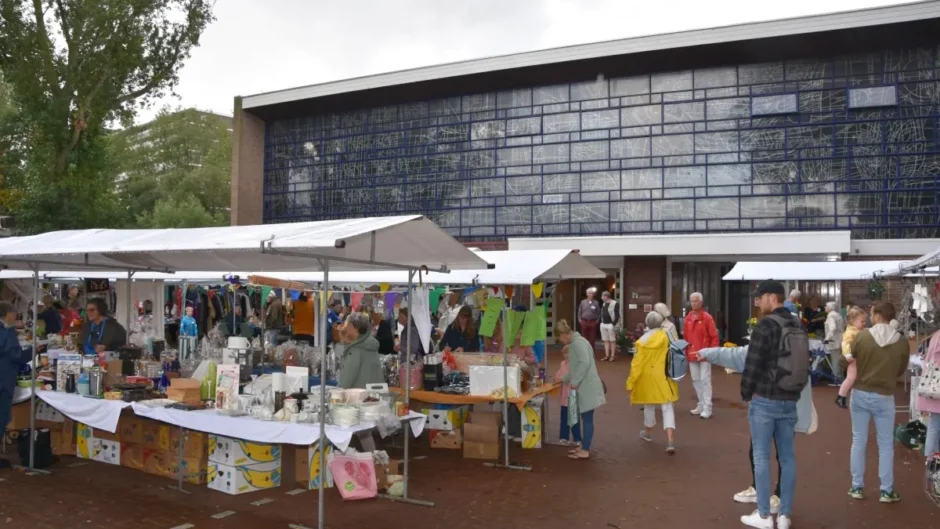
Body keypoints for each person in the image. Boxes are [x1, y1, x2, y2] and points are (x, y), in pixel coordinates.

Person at [698, 341, 818, 519]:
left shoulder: (769, 339)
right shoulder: (797, 346)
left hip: (767, 404)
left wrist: (707, 353)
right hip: (788, 405)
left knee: (762, 454)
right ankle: (780, 507)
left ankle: (767, 509)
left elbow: (739, 356)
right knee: (781, 456)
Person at [740, 280, 802, 529]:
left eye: (760, 298)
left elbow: (753, 363)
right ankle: (785, 514)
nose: (758, 302)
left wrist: (746, 393)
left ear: (770, 298)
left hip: (765, 398)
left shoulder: (765, 325)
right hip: (790, 399)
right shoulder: (797, 323)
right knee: (787, 458)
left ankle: (764, 515)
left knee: (762, 456)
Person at [842, 301, 909, 503]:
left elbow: (848, 359)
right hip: (885, 396)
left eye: (871, 314)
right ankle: (886, 490)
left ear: (879, 316)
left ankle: (856, 487)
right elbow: (901, 369)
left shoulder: (862, 337)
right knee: (886, 444)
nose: (870, 318)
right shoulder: (901, 341)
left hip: (861, 392)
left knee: (858, 440)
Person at [627, 311, 678, 454]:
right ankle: (670, 441)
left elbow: (636, 365)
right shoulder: (668, 336)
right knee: (667, 407)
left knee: (648, 405)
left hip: (647, 377)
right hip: (664, 376)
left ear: (647, 324)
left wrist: (630, 383)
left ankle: (648, 432)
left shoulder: (642, 341)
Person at [555, 319, 605, 460]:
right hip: (586, 385)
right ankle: (583, 446)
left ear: (563, 335)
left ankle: (585, 449)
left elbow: (584, 363)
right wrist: (563, 379)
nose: (560, 341)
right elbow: (576, 367)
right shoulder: (579, 342)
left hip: (587, 387)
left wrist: (575, 381)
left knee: (587, 419)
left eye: (559, 338)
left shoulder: (577, 344)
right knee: (585, 418)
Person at [0, 301, 32, 469]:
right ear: (8, 314)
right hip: (3, 380)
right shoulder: (6, 333)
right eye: (14, 313)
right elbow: (16, 356)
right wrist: (35, 351)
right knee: (1, 416)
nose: (16, 316)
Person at [684, 292, 718, 419]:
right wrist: (687, 351)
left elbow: (714, 337)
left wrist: (711, 353)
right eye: (691, 301)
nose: (693, 303)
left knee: (705, 380)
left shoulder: (707, 318)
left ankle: (707, 407)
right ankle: (701, 404)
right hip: (692, 354)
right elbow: (686, 337)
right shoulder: (688, 318)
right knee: (696, 380)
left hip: (704, 354)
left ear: (701, 302)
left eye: (696, 301)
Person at [337, 312, 385, 389]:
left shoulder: (356, 349)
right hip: (376, 395)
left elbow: (347, 378)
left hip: (359, 397)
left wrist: (337, 394)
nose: (347, 328)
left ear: (355, 328)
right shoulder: (370, 344)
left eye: (348, 326)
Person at [835, 306, 868, 409]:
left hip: (857, 359)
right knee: (851, 378)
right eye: (862, 321)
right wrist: (848, 354)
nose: (864, 323)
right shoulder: (850, 332)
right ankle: (841, 396)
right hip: (853, 359)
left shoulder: (857, 331)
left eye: (864, 321)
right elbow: (845, 344)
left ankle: (842, 396)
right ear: (853, 321)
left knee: (854, 378)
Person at [918, 330, 940, 459]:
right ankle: (932, 456)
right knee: (935, 424)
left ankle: (931, 456)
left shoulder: (936, 335)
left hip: (934, 387)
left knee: (934, 423)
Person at [555, 345, 581, 448]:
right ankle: (564, 437)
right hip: (564, 395)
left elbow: (568, 377)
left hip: (573, 394)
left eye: (569, 353)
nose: (567, 356)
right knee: (564, 418)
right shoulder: (563, 364)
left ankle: (577, 438)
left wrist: (562, 378)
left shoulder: (576, 365)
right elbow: (558, 375)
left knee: (574, 418)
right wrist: (559, 378)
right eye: (565, 353)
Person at [824, 301, 846, 379]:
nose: (825, 308)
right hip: (840, 340)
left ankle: (837, 378)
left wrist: (827, 339)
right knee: (839, 360)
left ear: (830, 308)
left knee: (835, 360)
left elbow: (832, 328)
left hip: (834, 341)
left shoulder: (831, 316)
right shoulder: (838, 315)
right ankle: (840, 376)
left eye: (826, 306)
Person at [599, 291, 620, 362]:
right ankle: (607, 355)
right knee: (606, 341)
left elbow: (617, 316)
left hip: (610, 324)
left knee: (612, 341)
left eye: (602, 296)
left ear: (606, 296)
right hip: (603, 324)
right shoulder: (604, 304)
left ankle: (612, 356)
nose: (601, 297)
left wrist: (613, 324)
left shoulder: (615, 303)